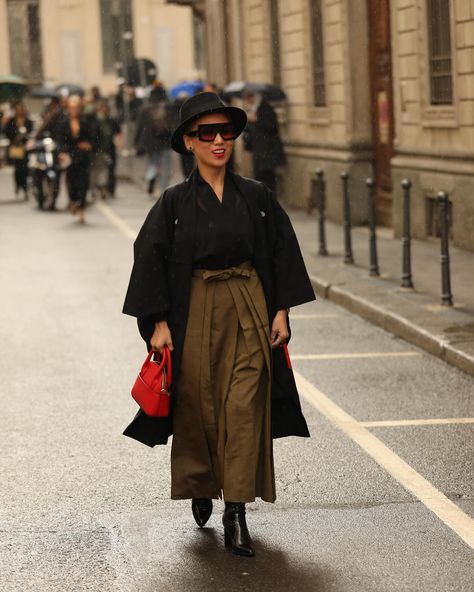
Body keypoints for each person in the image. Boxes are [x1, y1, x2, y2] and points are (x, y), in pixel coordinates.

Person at [122, 93, 315, 557]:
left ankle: (236, 510)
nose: (218, 141)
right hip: (194, 308)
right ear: (189, 142)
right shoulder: (171, 204)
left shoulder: (257, 197)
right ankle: (202, 484)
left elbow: (281, 249)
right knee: (200, 407)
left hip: (249, 303)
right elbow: (149, 260)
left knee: (244, 407)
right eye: (206, 133)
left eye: (225, 131)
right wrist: (158, 323)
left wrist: (281, 310)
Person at [57, 96, 97, 224]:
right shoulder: (63, 123)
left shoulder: (86, 122)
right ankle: (73, 201)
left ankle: (82, 211)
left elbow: (93, 138)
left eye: (76, 108)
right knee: (71, 182)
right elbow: (60, 140)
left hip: (83, 156)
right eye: (71, 108)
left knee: (84, 184)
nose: (74, 110)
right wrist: (62, 152)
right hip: (70, 156)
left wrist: (88, 145)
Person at [242, 91, 286, 195]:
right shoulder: (253, 109)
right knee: (259, 179)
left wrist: (257, 120)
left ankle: (269, 202)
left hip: (267, 152)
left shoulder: (266, 108)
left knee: (267, 179)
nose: (248, 99)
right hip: (258, 151)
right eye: (246, 97)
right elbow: (250, 129)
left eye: (250, 96)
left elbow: (272, 128)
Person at [134, 84, 173, 196]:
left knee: (153, 164)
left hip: (150, 142)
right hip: (166, 141)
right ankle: (163, 190)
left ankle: (150, 179)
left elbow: (139, 127)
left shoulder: (144, 109)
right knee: (165, 166)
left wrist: (136, 143)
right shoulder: (167, 107)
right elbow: (173, 125)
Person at [90, 100, 122, 199]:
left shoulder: (111, 120)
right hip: (96, 149)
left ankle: (107, 189)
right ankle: (96, 189)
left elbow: (118, 132)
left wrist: (119, 143)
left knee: (108, 170)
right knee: (95, 170)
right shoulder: (94, 121)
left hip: (108, 149)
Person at [4, 102, 33, 199]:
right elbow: (7, 132)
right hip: (15, 148)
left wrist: (23, 138)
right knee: (17, 169)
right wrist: (15, 138)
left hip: (24, 148)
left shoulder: (28, 121)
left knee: (24, 169)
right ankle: (18, 185)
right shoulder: (11, 121)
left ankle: (24, 188)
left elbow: (30, 133)